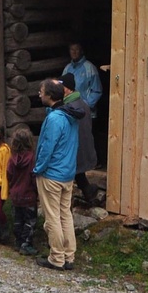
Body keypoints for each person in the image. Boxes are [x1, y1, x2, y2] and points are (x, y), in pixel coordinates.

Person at [34, 78, 83, 271]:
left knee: (52, 217)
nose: (39, 93)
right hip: (67, 173)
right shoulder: (70, 114)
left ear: (50, 96)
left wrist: (38, 168)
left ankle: (56, 257)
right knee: (65, 215)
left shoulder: (55, 119)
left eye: (41, 91)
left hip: (52, 174)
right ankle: (69, 256)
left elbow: (47, 147)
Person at [58, 73, 98, 203]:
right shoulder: (81, 103)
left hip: (76, 147)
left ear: (67, 89)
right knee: (79, 174)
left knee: (71, 174)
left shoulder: (71, 106)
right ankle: (89, 195)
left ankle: (68, 202)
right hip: (81, 146)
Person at [7, 127, 38, 256]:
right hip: (28, 195)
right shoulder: (32, 158)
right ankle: (26, 244)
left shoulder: (12, 159)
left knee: (17, 219)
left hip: (15, 195)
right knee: (30, 221)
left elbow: (8, 174)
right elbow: (33, 176)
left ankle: (18, 241)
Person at [62, 42, 102, 117]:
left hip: (87, 114)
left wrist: (85, 105)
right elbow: (61, 87)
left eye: (77, 49)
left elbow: (97, 91)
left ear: (82, 51)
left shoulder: (90, 68)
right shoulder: (67, 68)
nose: (74, 52)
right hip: (70, 112)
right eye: (72, 49)